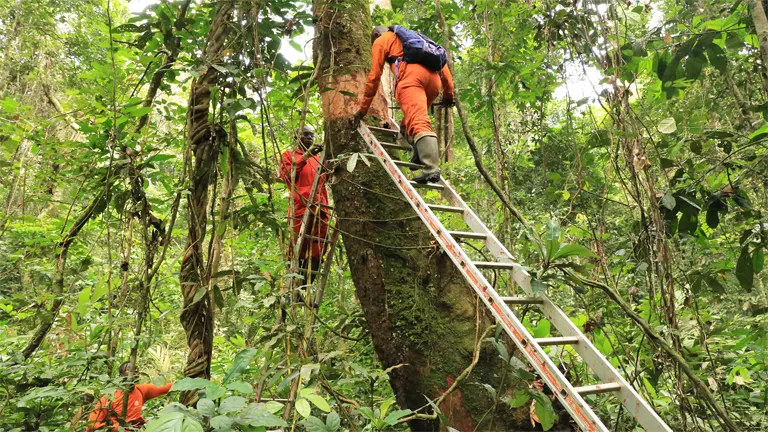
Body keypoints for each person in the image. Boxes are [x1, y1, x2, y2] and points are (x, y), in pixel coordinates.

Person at [354, 25, 455, 183]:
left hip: (411, 79)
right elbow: (443, 66)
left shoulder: (382, 40)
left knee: (418, 120)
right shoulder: (417, 39)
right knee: (407, 124)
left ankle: (430, 168)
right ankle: (418, 157)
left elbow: (374, 76)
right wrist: (449, 93)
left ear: (376, 34)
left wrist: (362, 109)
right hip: (434, 83)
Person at [278, 125, 329, 273]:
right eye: (305, 135)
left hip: (321, 209)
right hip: (300, 209)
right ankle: (295, 287)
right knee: (297, 248)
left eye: (311, 136)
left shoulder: (319, 159)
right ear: (296, 138)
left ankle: (306, 288)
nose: (309, 138)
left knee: (318, 249)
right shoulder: (289, 155)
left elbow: (328, 178)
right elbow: (287, 175)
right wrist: (305, 156)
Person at [86, 361, 173, 431]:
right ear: (121, 375)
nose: (134, 372)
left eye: (136, 369)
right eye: (129, 369)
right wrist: (115, 428)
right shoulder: (109, 397)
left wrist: (185, 378)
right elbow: (91, 425)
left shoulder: (142, 390)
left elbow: (168, 387)